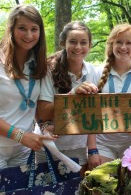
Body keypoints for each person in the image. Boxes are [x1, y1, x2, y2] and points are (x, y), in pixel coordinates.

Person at [36, 21, 99, 176]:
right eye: (73, 42)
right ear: (63, 43)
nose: (78, 47)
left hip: (78, 145)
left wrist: (92, 149)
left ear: (90, 45)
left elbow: (93, 114)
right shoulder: (49, 69)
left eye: (83, 42)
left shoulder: (92, 71)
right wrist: (72, 96)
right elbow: (43, 112)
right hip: (49, 145)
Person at [0, 4, 55, 169]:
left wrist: (45, 127)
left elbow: (35, 107)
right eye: (22, 28)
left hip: (23, 151)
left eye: (34, 29)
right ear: (11, 29)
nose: (29, 35)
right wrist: (20, 136)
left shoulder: (40, 66)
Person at [84, 23, 131, 169]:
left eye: (128, 43)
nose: (123, 47)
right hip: (103, 144)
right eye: (119, 42)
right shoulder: (97, 73)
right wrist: (92, 149)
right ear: (111, 45)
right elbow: (90, 112)